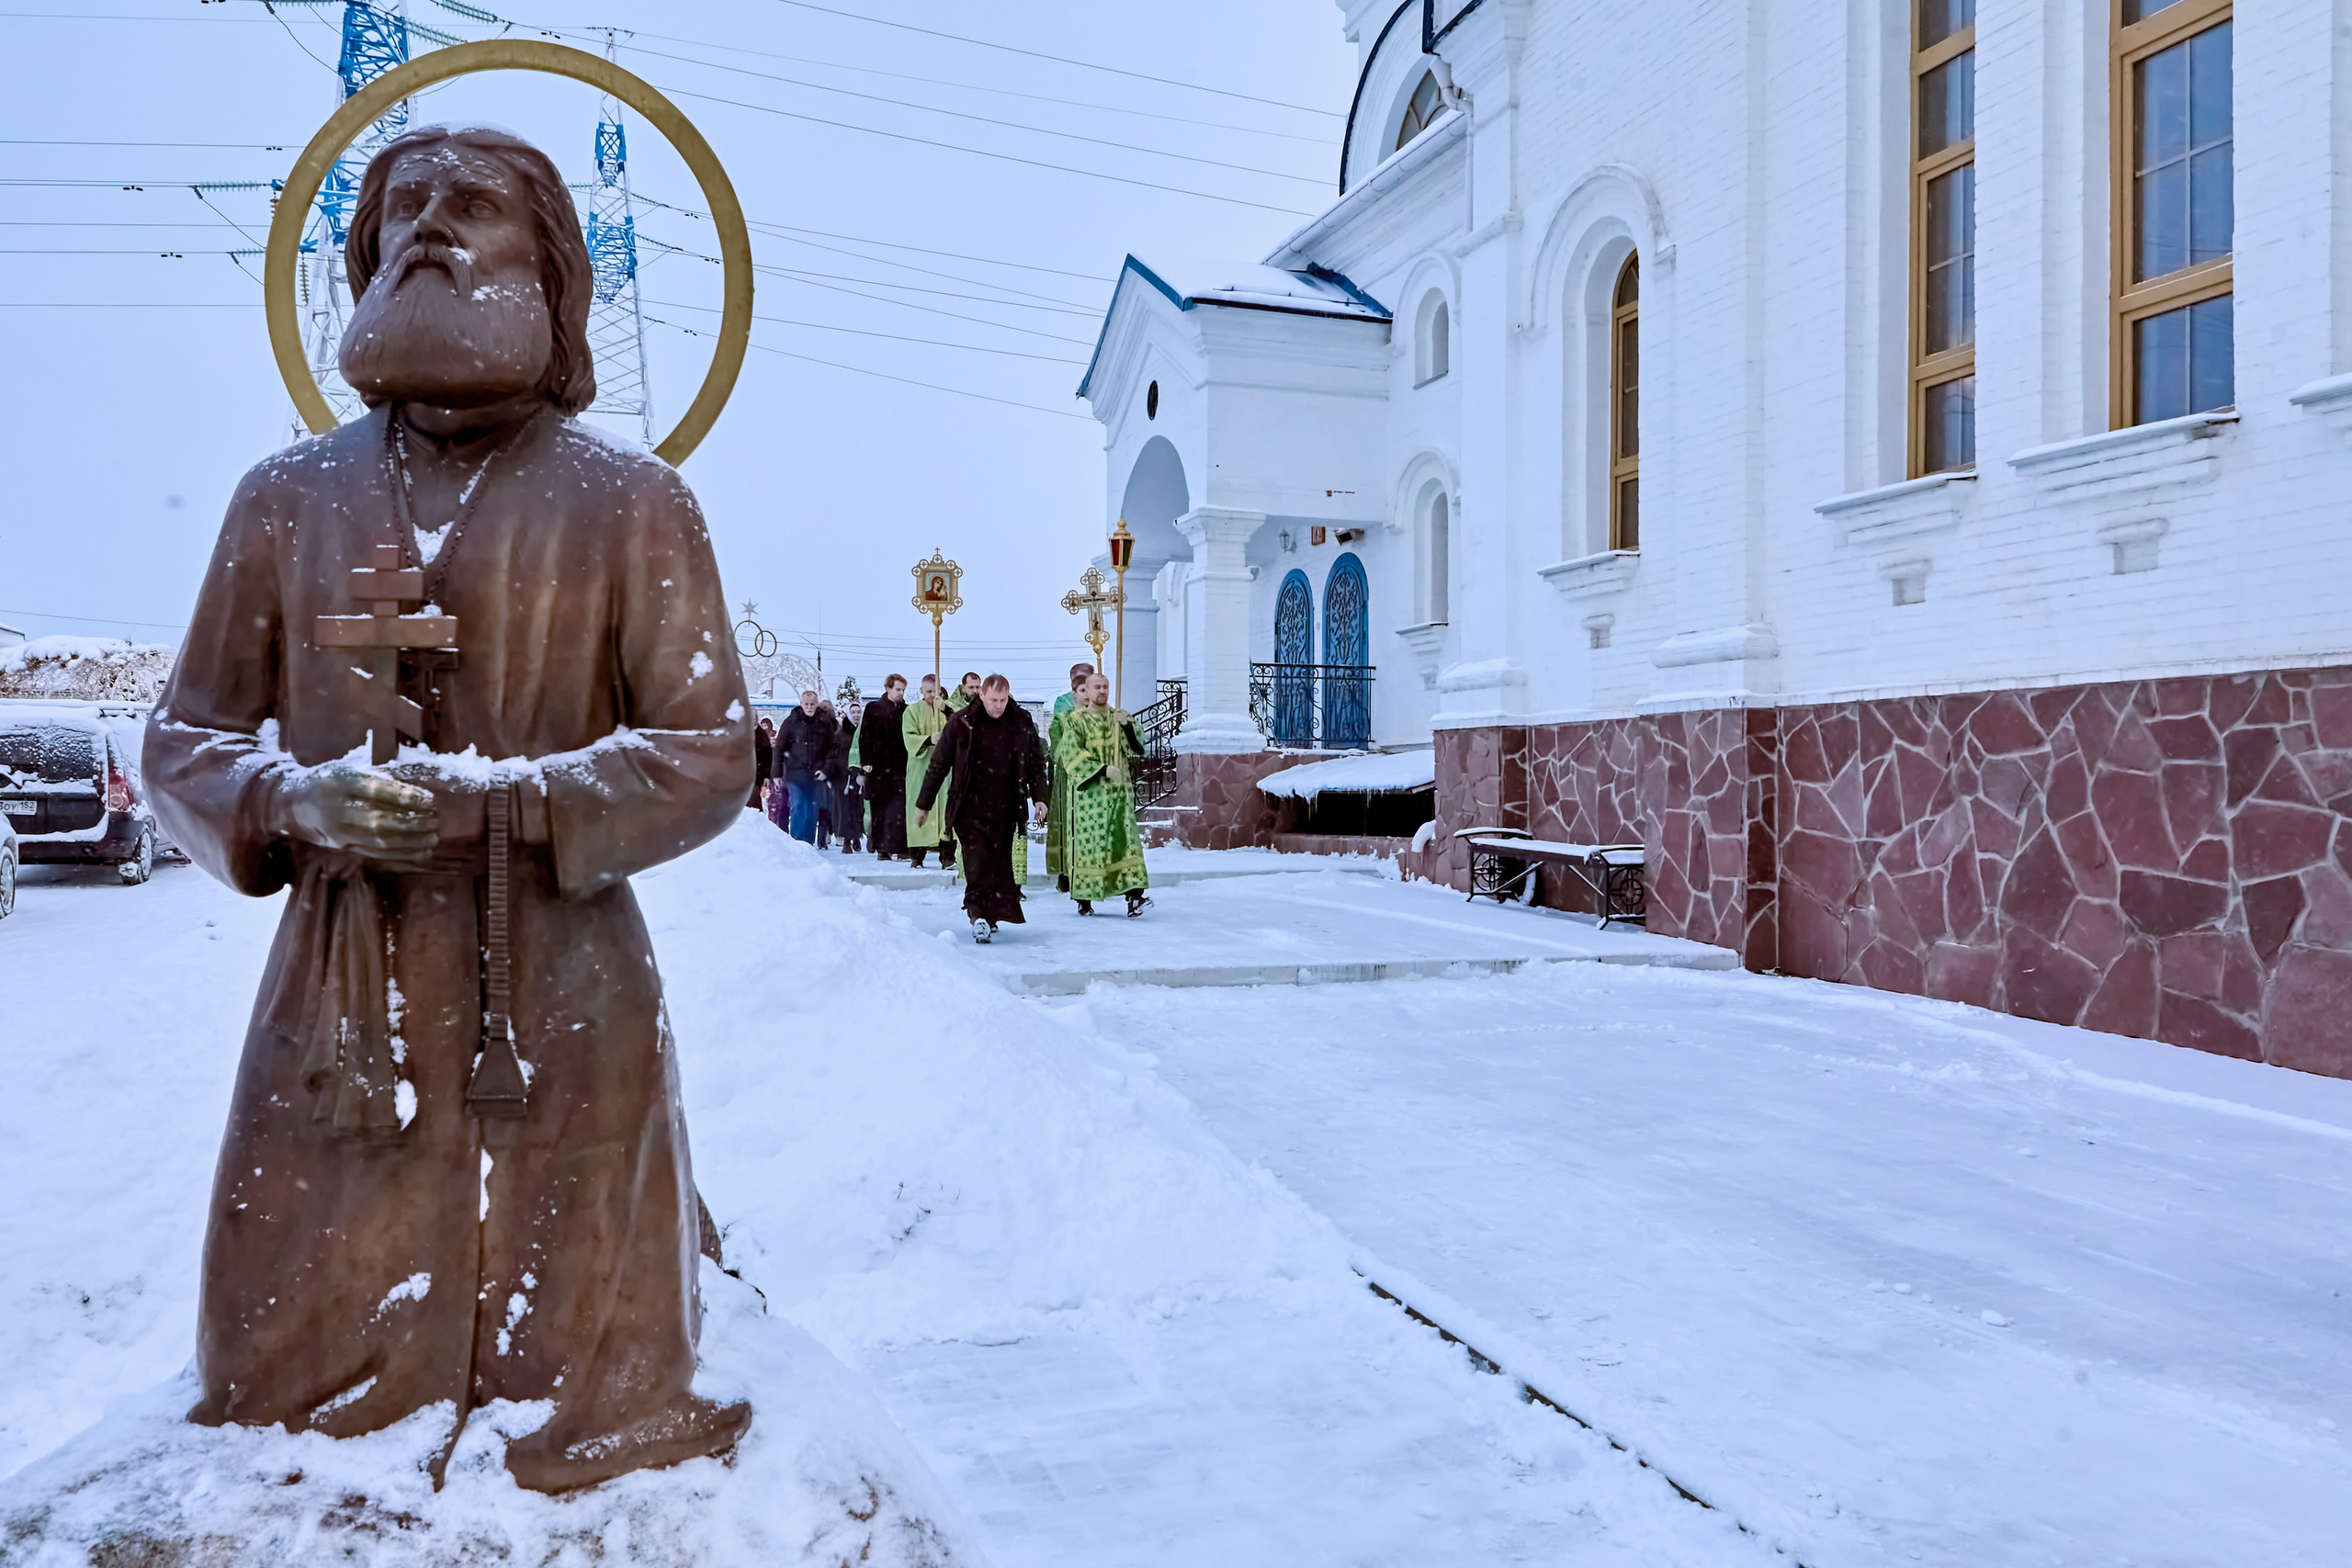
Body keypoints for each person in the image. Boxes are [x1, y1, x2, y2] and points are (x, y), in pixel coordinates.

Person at [140, 124, 749, 1491]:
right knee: (277, 1371)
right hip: (342, 983)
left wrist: (511, 809)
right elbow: (180, 739)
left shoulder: (635, 505)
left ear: (551, 271)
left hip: (560, 979)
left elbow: (711, 748)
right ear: (360, 261)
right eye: (401, 207)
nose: (427, 226)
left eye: (470, 206)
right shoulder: (284, 499)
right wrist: (298, 801)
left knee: (581, 1343)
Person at [916, 673, 1047, 942]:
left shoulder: (1021, 721)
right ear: (982, 696)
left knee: (998, 864)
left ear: (1008, 696)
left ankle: (990, 915)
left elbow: (1035, 762)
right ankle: (977, 915)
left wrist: (1039, 798)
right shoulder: (962, 722)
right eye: (993, 700)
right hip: (969, 805)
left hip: (1006, 805)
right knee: (976, 861)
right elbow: (939, 765)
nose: (997, 706)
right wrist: (924, 804)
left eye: (1002, 699)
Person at [1054, 671, 1152, 918]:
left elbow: (1138, 749)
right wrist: (1102, 769)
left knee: (1125, 844)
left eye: (1106, 686)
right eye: (1096, 686)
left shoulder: (1118, 717)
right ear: (1087, 690)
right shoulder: (1077, 720)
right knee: (1091, 847)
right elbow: (1070, 754)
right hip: (1090, 797)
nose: (1102, 691)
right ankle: (1085, 899)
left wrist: (1128, 727)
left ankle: (1135, 897)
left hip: (1119, 795)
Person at [1044, 661, 1093, 888]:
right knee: (1068, 822)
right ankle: (1065, 871)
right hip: (1070, 772)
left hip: (1094, 774)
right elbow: (1061, 734)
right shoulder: (1063, 703)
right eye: (1079, 679)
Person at [902, 673, 955, 869]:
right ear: (922, 692)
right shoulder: (912, 711)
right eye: (929, 691)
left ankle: (947, 854)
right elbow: (908, 737)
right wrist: (927, 739)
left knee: (946, 810)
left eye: (936, 691)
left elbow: (960, 726)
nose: (933, 695)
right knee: (920, 808)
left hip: (945, 769)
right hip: (921, 767)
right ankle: (917, 855)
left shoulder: (948, 710)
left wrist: (947, 712)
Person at [773, 688, 832, 844]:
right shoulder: (790, 722)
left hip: (816, 774)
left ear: (817, 704)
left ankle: (808, 843)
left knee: (812, 810)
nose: (810, 707)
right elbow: (779, 748)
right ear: (801, 704)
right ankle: (797, 842)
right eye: (806, 704)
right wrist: (776, 774)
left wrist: (826, 769)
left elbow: (832, 749)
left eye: (812, 704)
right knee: (798, 806)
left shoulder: (824, 723)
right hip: (795, 773)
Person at [860, 674, 909, 859]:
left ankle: (900, 847)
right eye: (897, 689)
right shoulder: (873, 709)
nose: (900, 693)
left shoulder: (906, 710)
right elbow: (865, 736)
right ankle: (882, 848)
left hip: (899, 766)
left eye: (903, 690)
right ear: (888, 689)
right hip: (878, 767)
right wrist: (866, 762)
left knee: (899, 809)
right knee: (879, 808)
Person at [834, 697, 865, 853]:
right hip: (844, 776)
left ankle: (857, 837)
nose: (856, 715)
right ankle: (846, 839)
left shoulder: (865, 732)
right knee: (845, 809)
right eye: (853, 712)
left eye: (858, 712)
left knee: (858, 808)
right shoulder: (841, 733)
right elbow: (836, 753)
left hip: (860, 776)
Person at [752, 716, 775, 812]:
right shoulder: (740, 733)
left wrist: (766, 775)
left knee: (755, 799)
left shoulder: (761, 735)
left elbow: (768, 758)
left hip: (757, 772)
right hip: (742, 774)